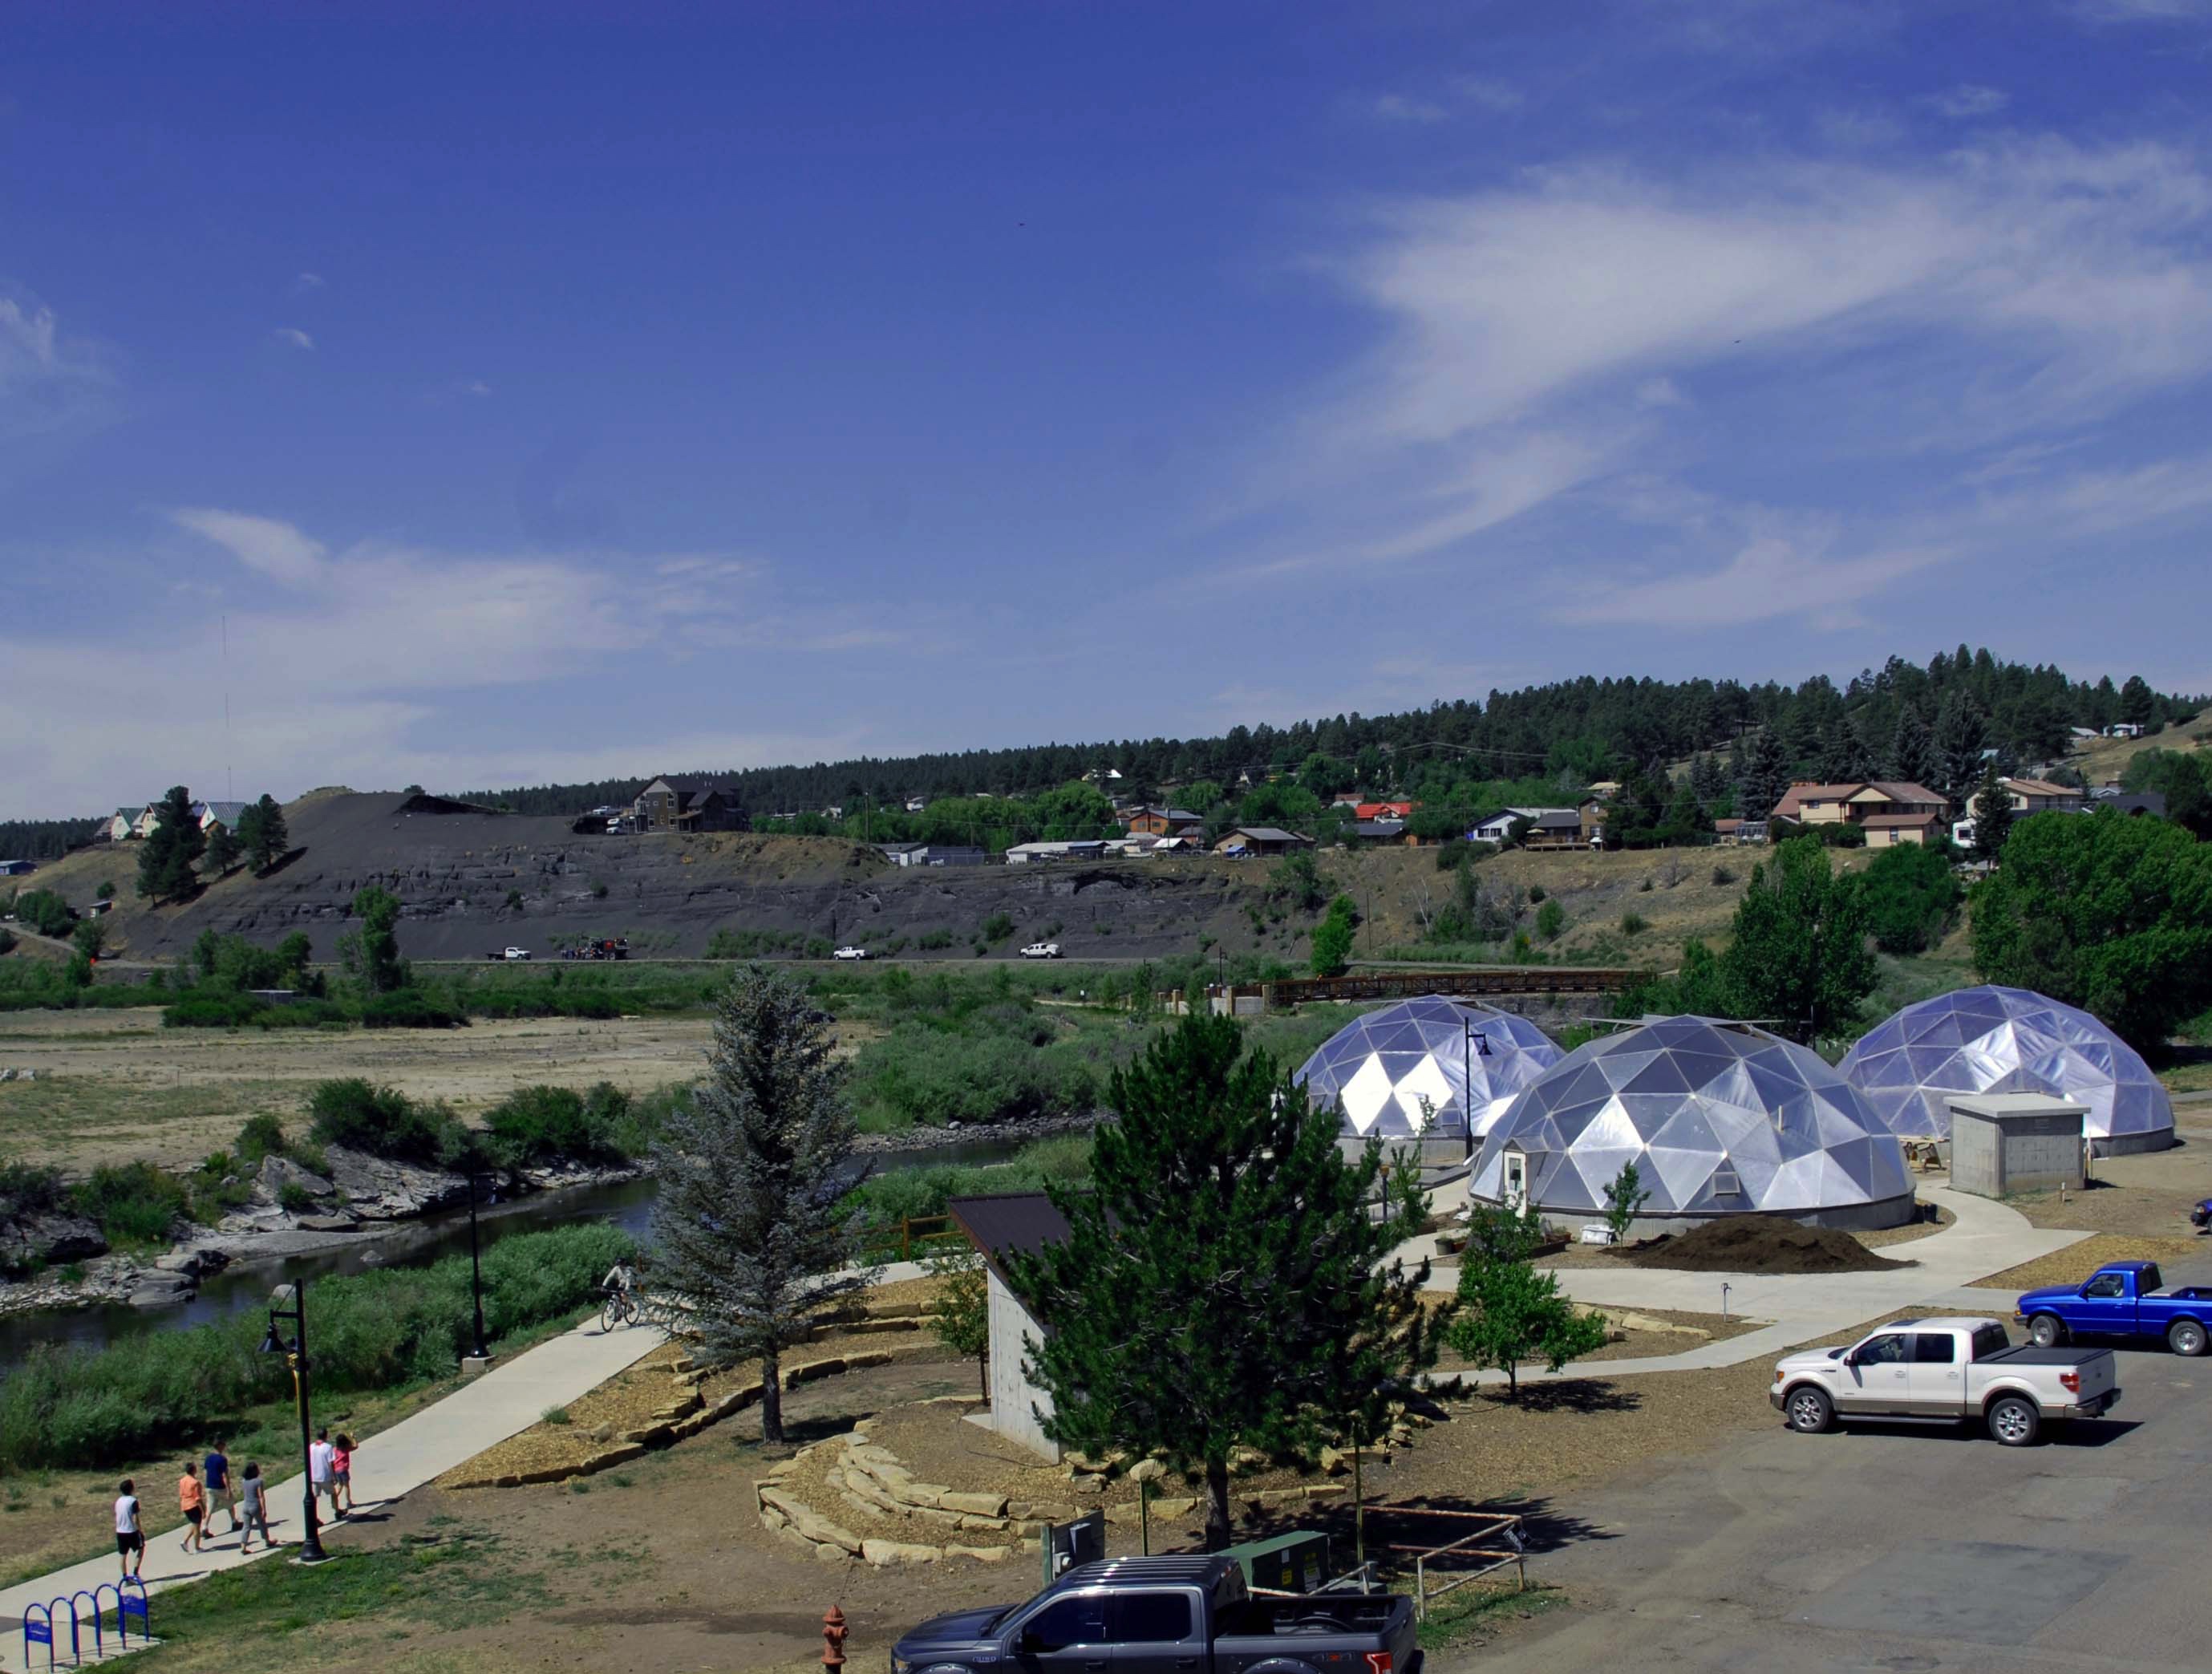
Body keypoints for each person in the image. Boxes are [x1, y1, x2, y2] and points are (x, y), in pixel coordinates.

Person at [205, 1439, 240, 1534]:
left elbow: (207, 1471)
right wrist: (228, 1490)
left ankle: (205, 1527)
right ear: (220, 1446)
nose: (224, 1446)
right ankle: (234, 1522)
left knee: (210, 1508)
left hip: (209, 1486)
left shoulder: (208, 1458)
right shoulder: (222, 1459)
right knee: (230, 1504)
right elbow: (225, 1475)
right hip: (220, 1486)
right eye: (223, 1445)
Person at [237, 1463, 273, 1554]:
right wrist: (264, 1509)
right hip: (255, 1506)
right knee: (262, 1525)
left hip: (246, 1506)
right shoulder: (258, 1481)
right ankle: (267, 1541)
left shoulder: (244, 1481)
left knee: (246, 1527)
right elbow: (261, 1496)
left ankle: (243, 1547)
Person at [113, 1480, 144, 1581]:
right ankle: (135, 1573)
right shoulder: (133, 1501)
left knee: (123, 1555)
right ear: (132, 1489)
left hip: (120, 1531)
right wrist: (140, 1530)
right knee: (141, 1549)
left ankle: (125, 1578)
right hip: (131, 1531)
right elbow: (135, 1518)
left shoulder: (118, 1501)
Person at [308, 1427, 339, 1522]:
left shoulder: (311, 1446)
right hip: (325, 1476)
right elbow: (331, 1463)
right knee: (333, 1494)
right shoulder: (328, 1447)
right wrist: (334, 1476)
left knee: (315, 1498)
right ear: (326, 1435)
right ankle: (337, 1511)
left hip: (314, 1476)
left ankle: (315, 1517)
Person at [177, 1461, 206, 1554]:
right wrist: (203, 1510)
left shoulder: (182, 1480)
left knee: (194, 1524)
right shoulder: (195, 1482)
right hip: (193, 1505)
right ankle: (197, 1548)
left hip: (184, 1504)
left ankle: (185, 1541)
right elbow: (198, 1497)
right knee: (197, 1527)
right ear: (194, 1470)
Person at [333, 1433, 355, 1514]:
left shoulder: (334, 1449)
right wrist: (353, 1437)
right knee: (346, 1486)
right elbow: (355, 1446)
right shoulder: (346, 1448)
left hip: (336, 1470)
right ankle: (349, 1502)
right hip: (343, 1470)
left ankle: (334, 1499)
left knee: (340, 1485)